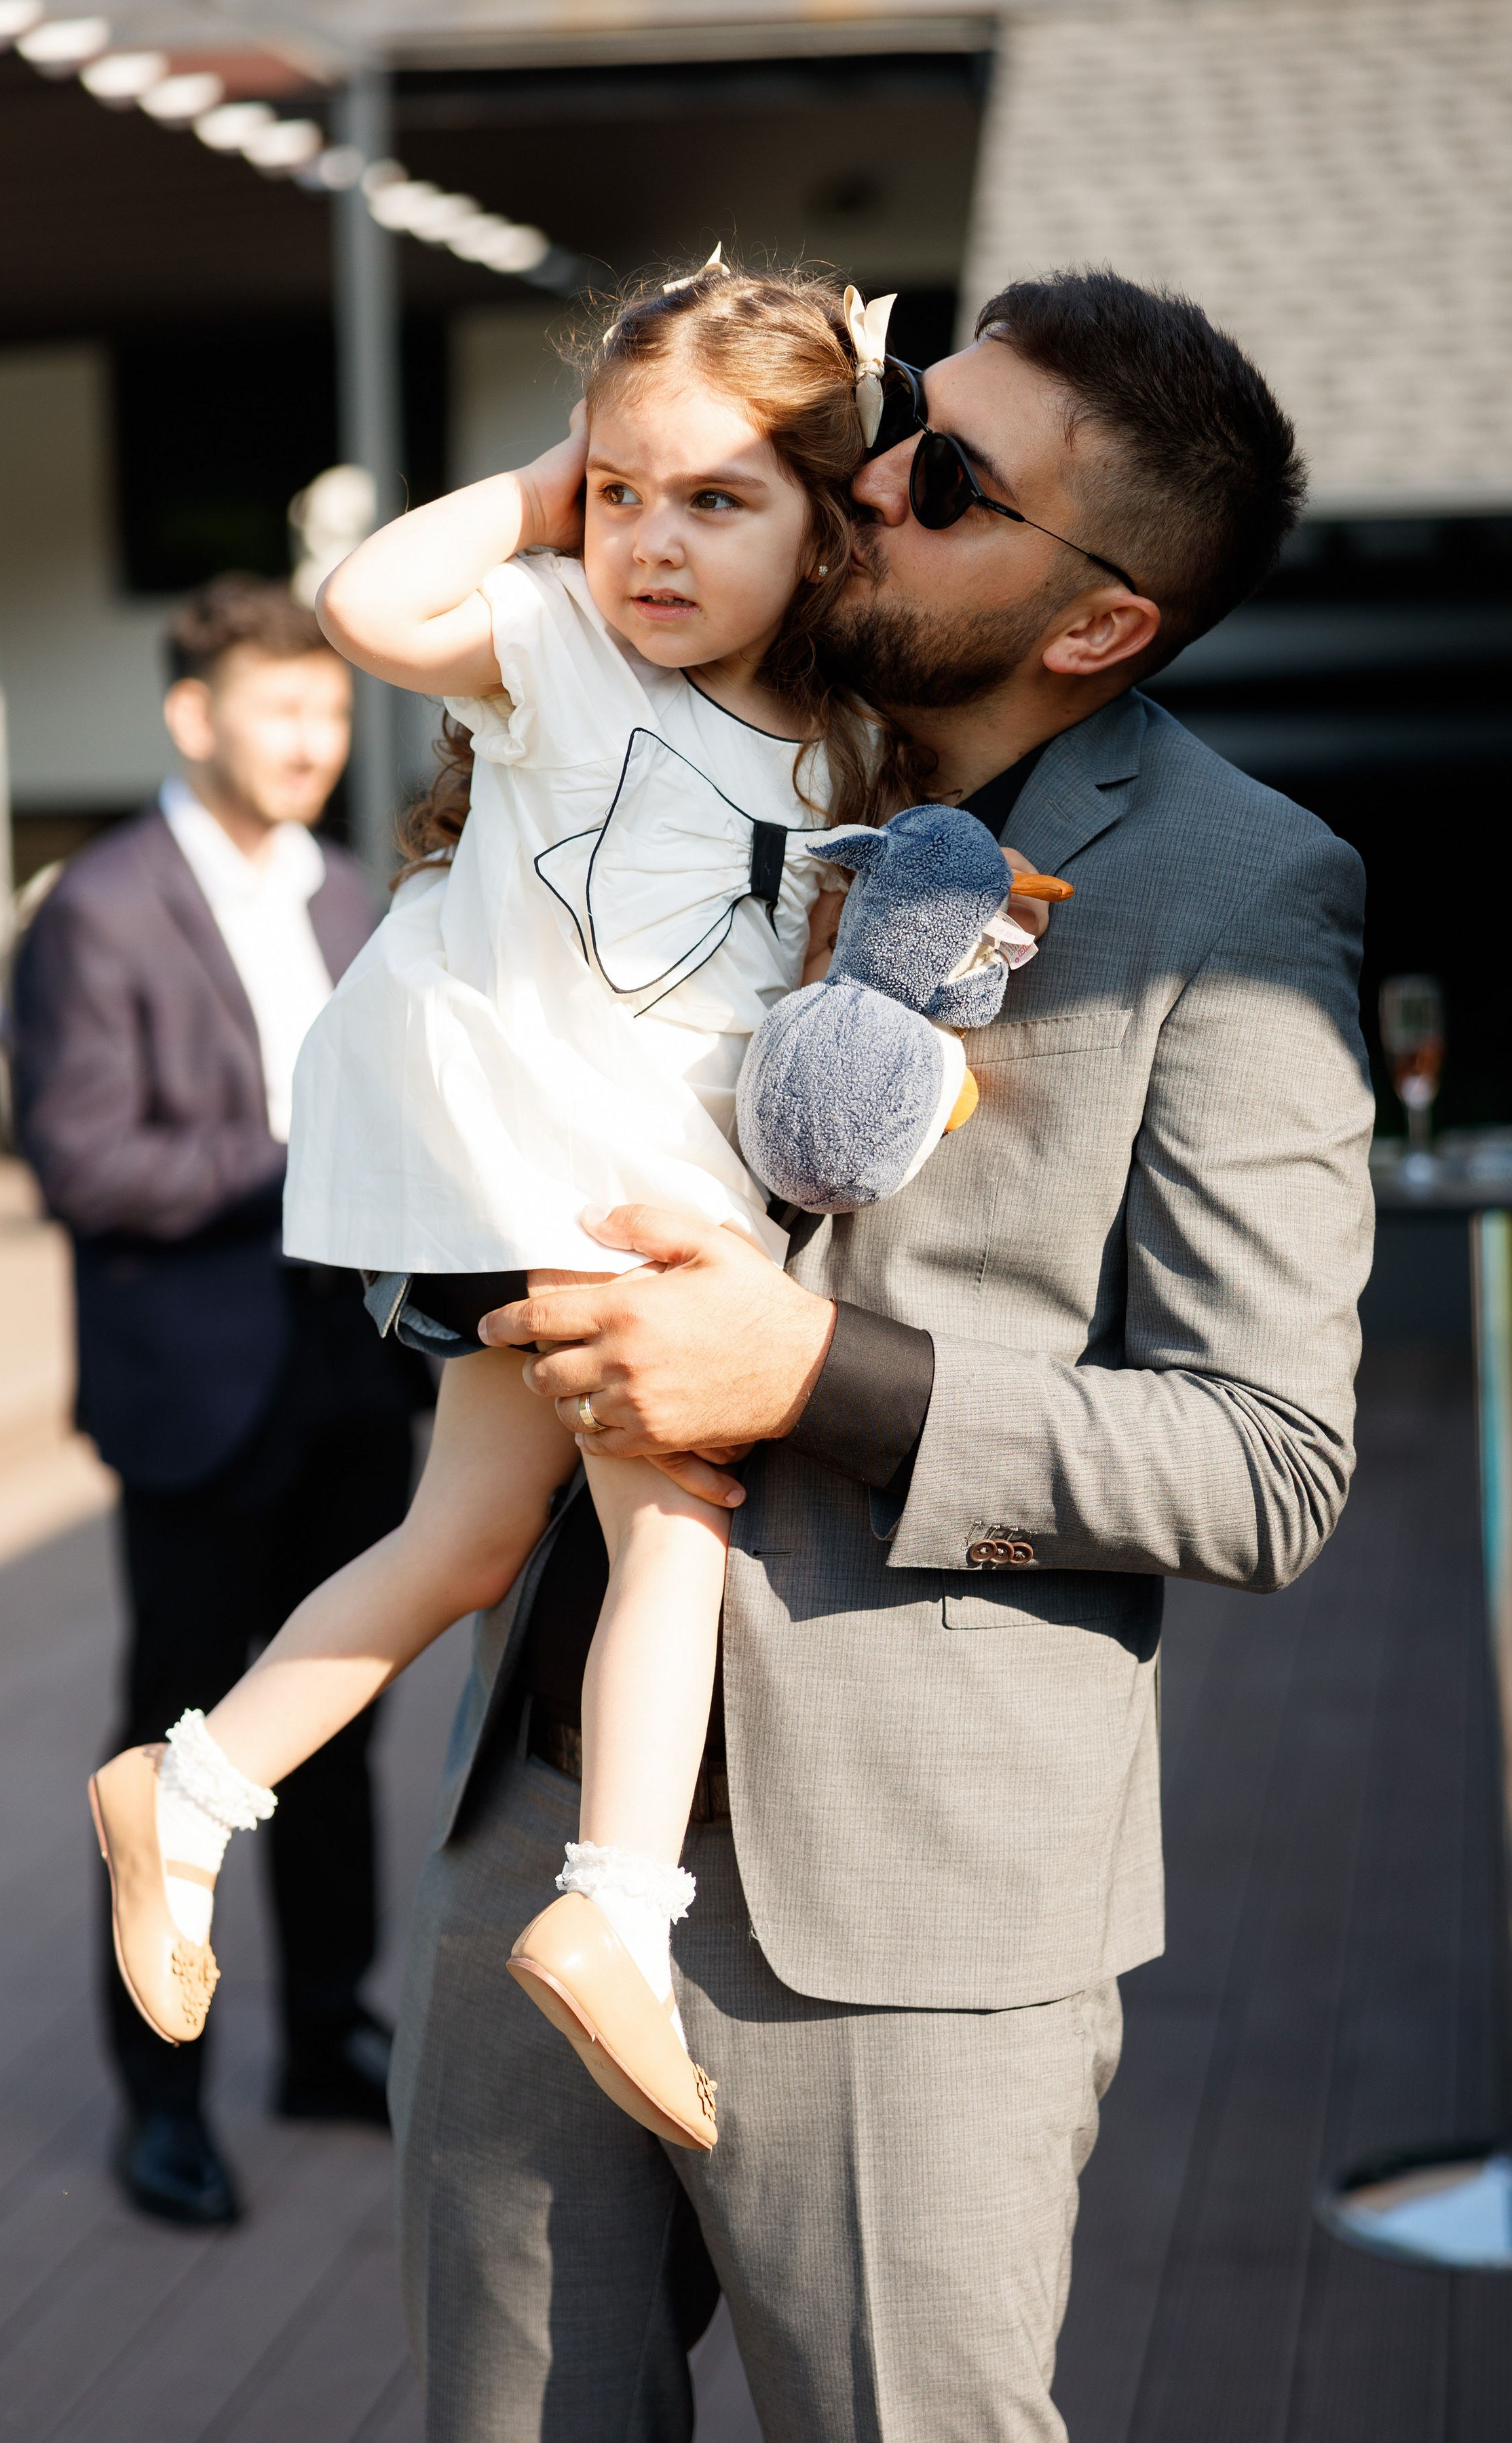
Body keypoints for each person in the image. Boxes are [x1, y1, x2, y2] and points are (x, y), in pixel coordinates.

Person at [379, 267, 1374, 2440]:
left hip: (913, 1918)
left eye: (945, 474)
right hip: (543, 1817)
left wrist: (801, 1375)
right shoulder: (696, 695)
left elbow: (1272, 1460)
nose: (874, 472)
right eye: (905, 412)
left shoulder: (1242, 889)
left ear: (1096, 620)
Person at [83, 265, 1061, 2156]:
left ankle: (191, 1789)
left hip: (618, 1187)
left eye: (718, 500)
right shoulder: (558, 646)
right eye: (628, 494)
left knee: (464, 1536)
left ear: (826, 516)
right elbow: (371, 605)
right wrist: (549, 482)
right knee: (677, 1523)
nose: (656, 543)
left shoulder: (843, 746)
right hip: (538, 1158)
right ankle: (614, 1907)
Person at [10, 576, 419, 2229]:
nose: (316, 743)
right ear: (195, 719)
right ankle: (161, 2102)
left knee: (338, 1734)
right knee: (170, 1749)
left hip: (346, 1384)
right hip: (193, 1394)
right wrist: (305, 1151)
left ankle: (326, 2036)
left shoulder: (349, 894)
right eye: (283, 712)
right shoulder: (96, 908)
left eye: (331, 715)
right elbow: (86, 1161)